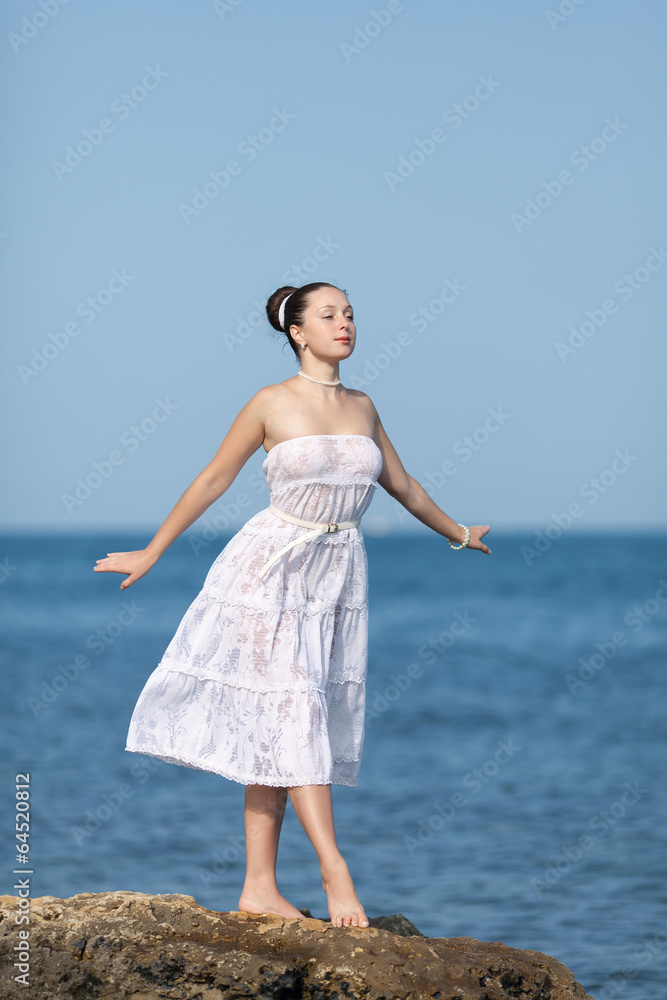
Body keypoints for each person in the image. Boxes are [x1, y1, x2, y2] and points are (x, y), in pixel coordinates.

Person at [94, 281, 491, 929]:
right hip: (268, 571)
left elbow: (403, 484)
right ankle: (337, 875)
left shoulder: (362, 406)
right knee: (296, 714)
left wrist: (457, 533)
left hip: (336, 577)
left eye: (351, 314)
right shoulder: (269, 402)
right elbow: (213, 478)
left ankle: (258, 888)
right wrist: (152, 551)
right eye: (328, 315)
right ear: (297, 332)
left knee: (280, 725)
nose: (344, 324)